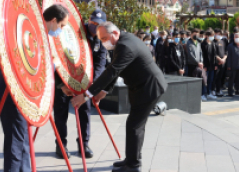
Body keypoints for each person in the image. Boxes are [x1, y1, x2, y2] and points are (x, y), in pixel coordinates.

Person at [71, 22, 167, 172]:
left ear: (115, 33)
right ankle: (131, 159)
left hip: (149, 88)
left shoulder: (125, 46)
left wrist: (87, 95)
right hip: (142, 87)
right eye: (101, 39)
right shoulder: (123, 41)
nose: (103, 43)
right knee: (135, 126)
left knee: (134, 126)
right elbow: (119, 69)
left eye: (104, 38)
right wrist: (104, 91)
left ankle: (133, 166)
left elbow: (112, 71)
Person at [0, 4, 70, 171]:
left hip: (21, 90)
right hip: (11, 90)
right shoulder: (31, 31)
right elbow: (30, 66)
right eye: (61, 26)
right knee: (15, 141)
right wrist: (53, 65)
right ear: (54, 20)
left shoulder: (37, 31)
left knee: (23, 139)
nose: (61, 30)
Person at [54, 10, 108, 159]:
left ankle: (83, 144)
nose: (94, 26)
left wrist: (89, 86)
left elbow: (100, 64)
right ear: (88, 21)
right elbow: (57, 55)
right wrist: (61, 83)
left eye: (98, 25)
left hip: (84, 82)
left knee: (85, 113)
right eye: (92, 23)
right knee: (60, 113)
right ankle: (61, 145)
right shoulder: (75, 32)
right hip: (65, 80)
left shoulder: (101, 38)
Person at [201, 31, 217, 100]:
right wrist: (204, 66)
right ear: (207, 36)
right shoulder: (203, 44)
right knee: (205, 81)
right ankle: (203, 94)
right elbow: (202, 55)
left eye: (213, 35)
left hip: (212, 65)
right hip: (206, 66)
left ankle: (208, 93)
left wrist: (215, 64)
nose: (212, 37)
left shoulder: (213, 43)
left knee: (210, 80)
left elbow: (215, 55)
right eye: (211, 35)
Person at [212, 30, 227, 97]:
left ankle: (219, 90)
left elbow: (226, 52)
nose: (219, 35)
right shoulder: (213, 42)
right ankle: (213, 90)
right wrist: (219, 60)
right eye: (218, 34)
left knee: (220, 77)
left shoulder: (222, 42)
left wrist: (223, 59)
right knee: (215, 77)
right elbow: (214, 54)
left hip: (223, 63)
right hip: (216, 63)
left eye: (220, 34)